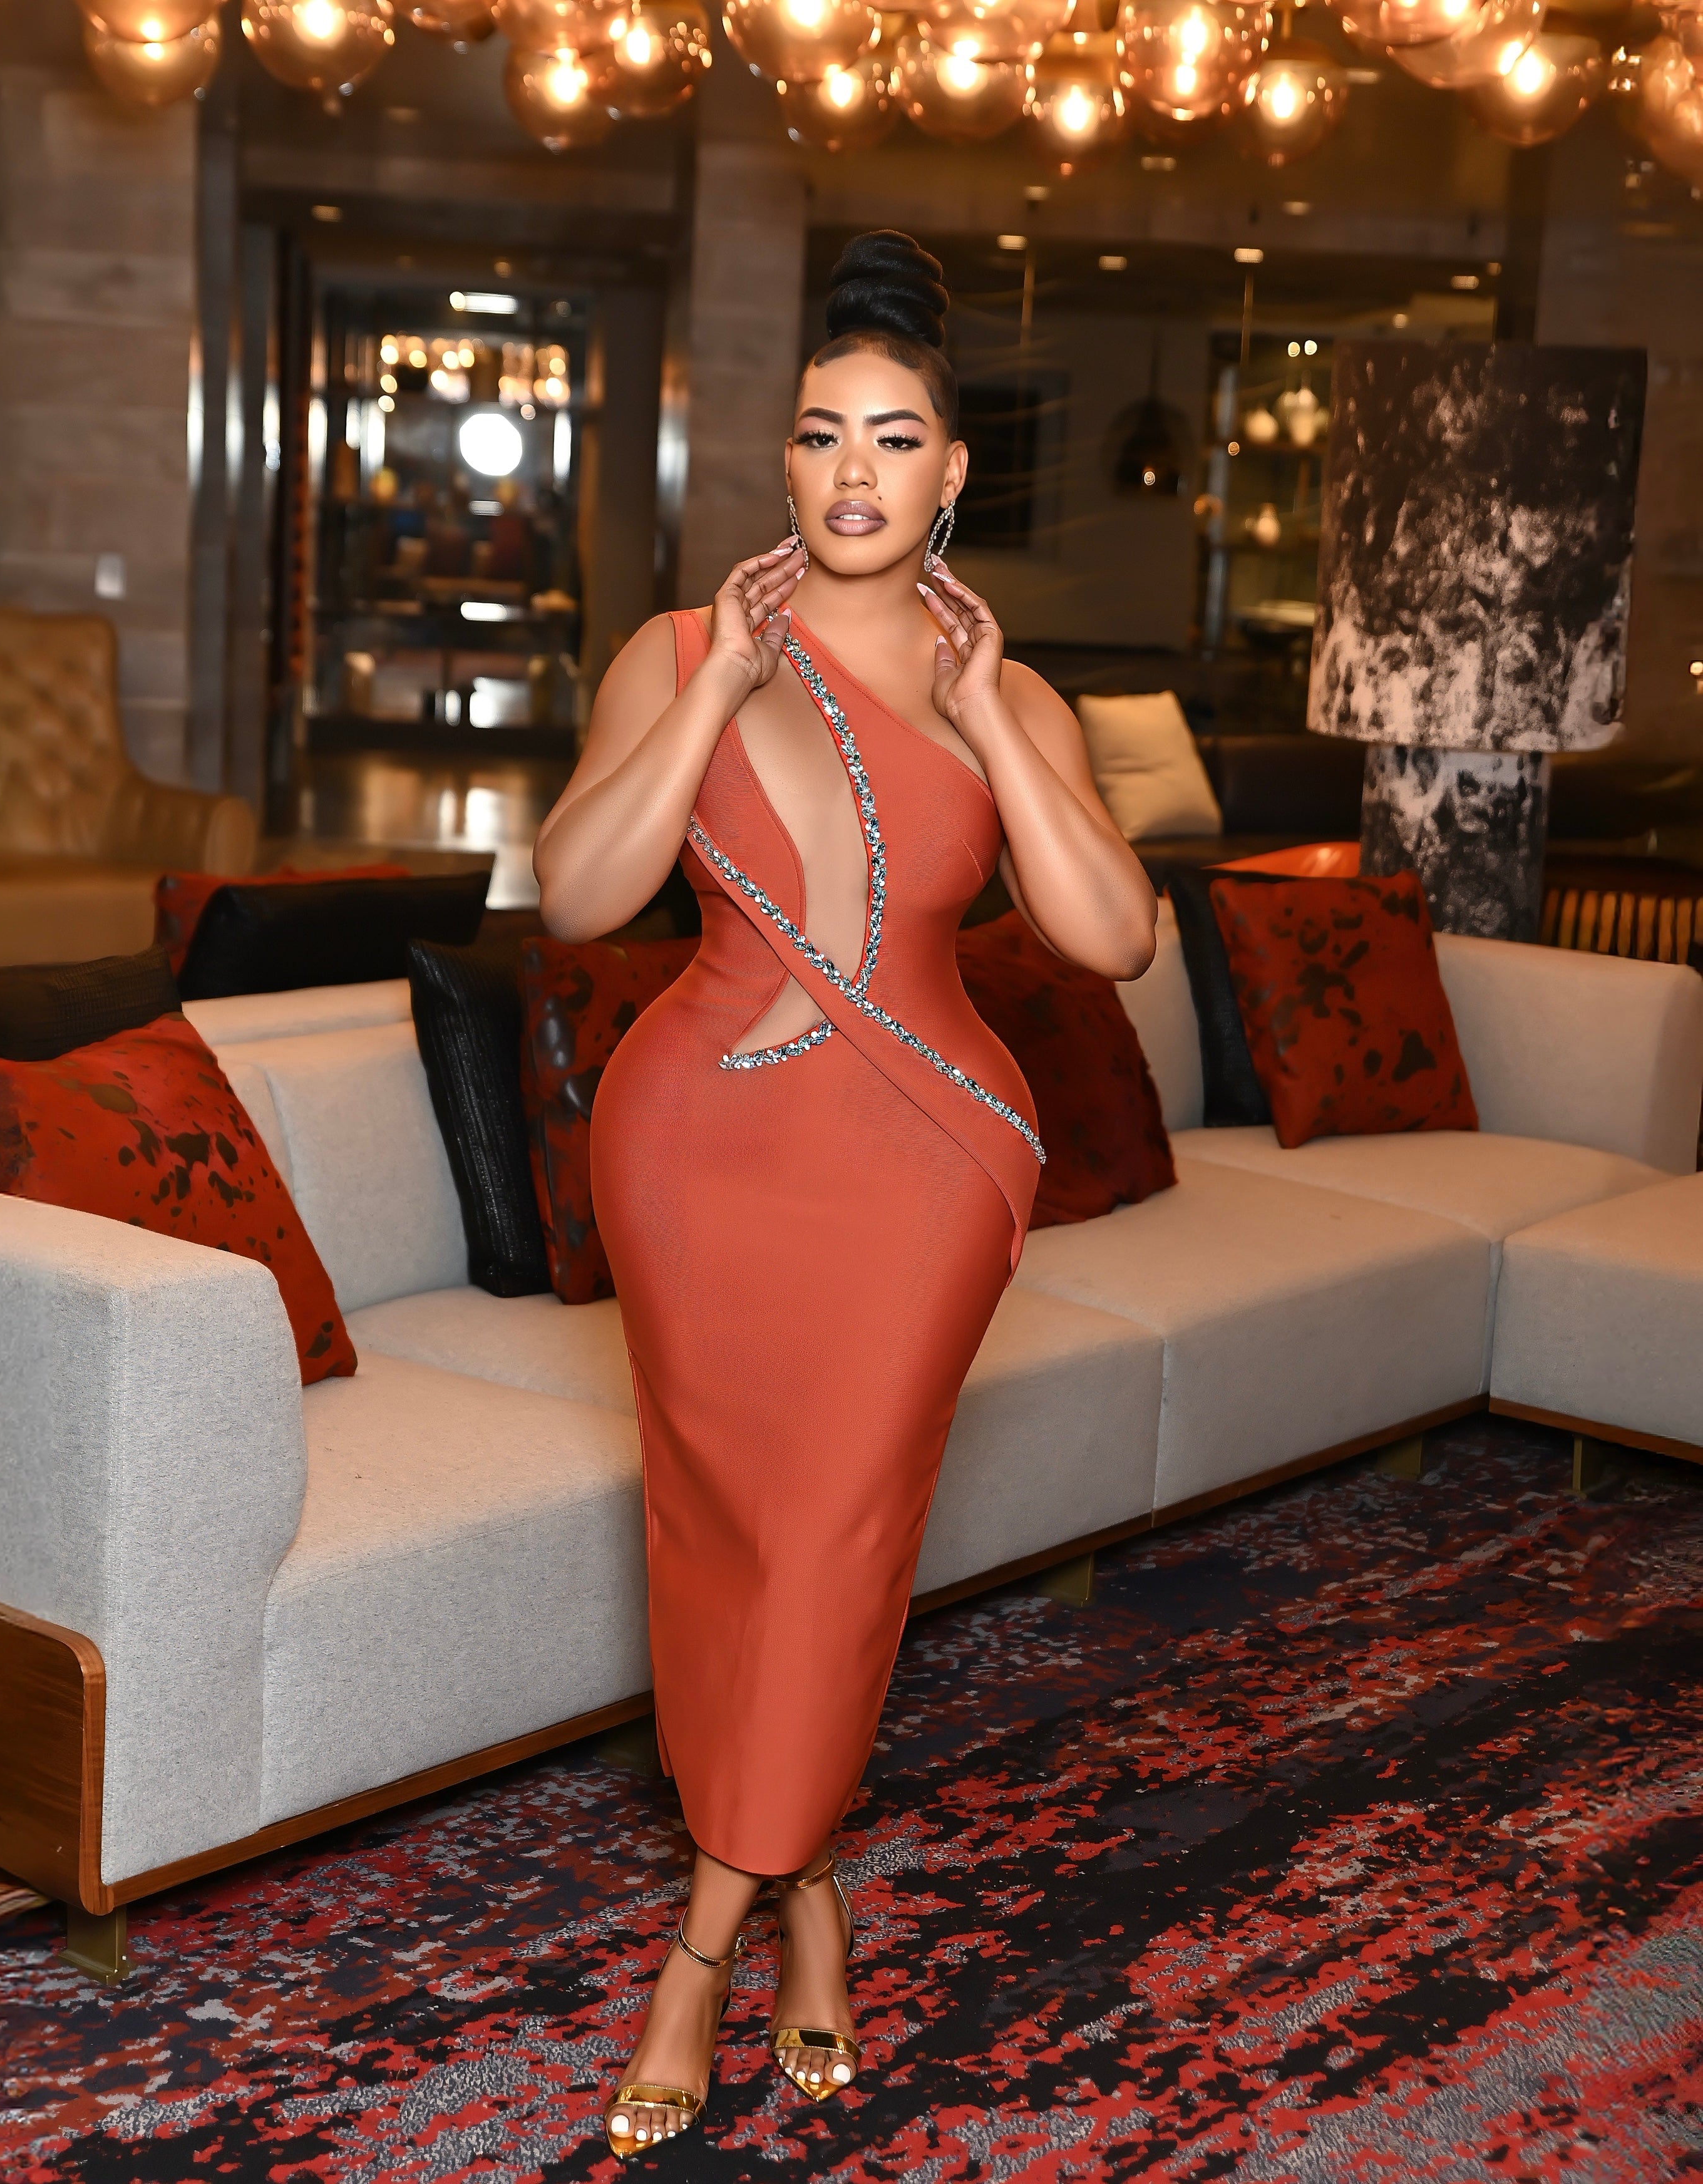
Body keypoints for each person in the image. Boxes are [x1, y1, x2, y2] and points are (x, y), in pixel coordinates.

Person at [533, 230, 1158, 2161]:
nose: (854, 470)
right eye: (821, 436)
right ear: (783, 462)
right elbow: (578, 897)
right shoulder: (676, 650)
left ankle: (696, 1953)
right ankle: (805, 1894)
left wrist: (987, 718)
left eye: (894, 438)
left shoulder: (1008, 688)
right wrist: (715, 685)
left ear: (951, 470)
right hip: (693, 1155)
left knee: (829, 1540)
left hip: (917, 1172)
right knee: (725, 1537)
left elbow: (1112, 936)